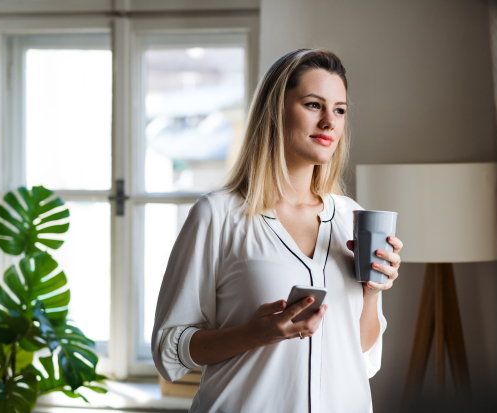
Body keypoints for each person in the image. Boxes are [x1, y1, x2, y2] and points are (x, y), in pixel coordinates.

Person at [151, 49, 403, 413]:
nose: (330, 122)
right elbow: (169, 349)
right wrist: (254, 334)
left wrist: (374, 289)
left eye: (340, 109)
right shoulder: (217, 215)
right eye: (314, 105)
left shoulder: (353, 218)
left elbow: (359, 350)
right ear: (275, 111)